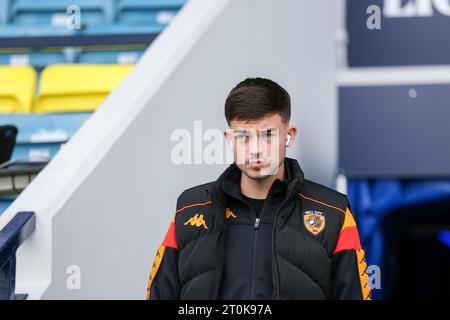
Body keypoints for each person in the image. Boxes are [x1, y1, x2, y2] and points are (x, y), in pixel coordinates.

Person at [146, 78, 371, 300]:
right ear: (229, 139)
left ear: (289, 135)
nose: (255, 149)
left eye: (268, 135)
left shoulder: (333, 211)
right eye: (243, 136)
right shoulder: (190, 207)